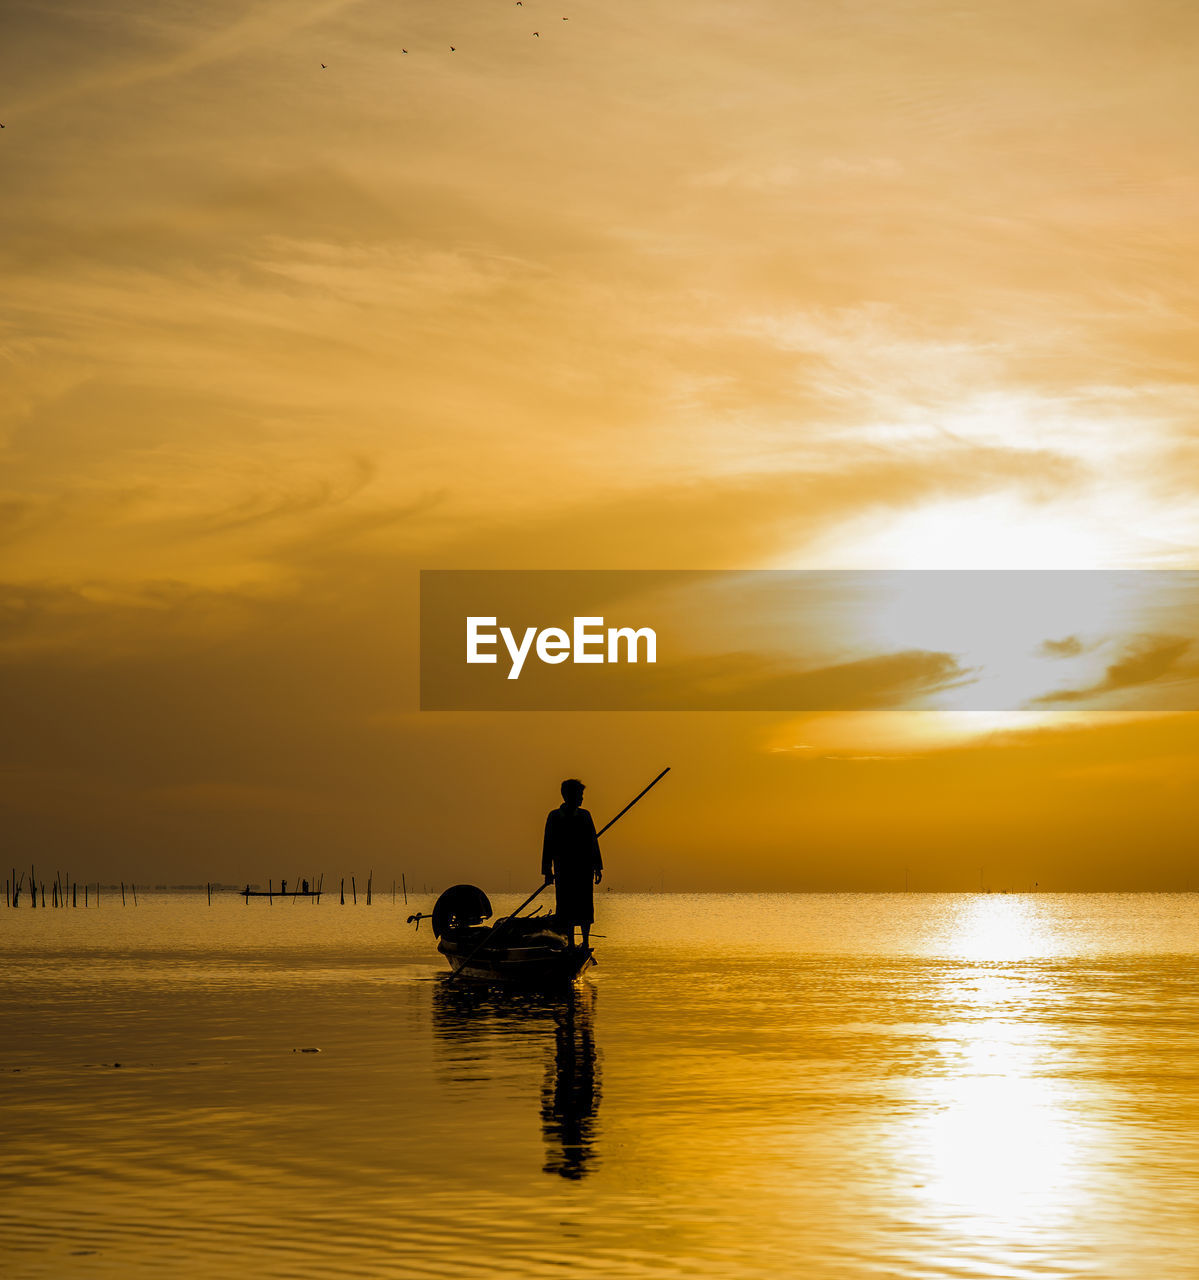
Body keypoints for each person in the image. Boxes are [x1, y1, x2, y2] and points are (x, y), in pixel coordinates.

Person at [541, 778, 603, 950]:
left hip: (584, 868)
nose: (582, 798)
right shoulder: (555, 817)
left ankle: (585, 942)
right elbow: (548, 844)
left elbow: (593, 842)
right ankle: (570, 944)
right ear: (568, 795)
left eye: (582, 795)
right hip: (564, 869)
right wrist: (547, 871)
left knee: (584, 906)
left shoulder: (585, 815)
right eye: (579, 795)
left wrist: (597, 866)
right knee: (565, 907)